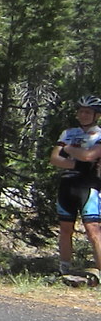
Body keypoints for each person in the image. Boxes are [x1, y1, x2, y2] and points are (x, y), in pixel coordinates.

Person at [48, 95, 101, 285]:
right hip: (67, 185)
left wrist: (69, 150)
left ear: (96, 115)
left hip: (89, 186)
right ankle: (64, 268)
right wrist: (79, 163)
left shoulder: (99, 134)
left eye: (88, 112)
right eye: (81, 111)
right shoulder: (67, 133)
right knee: (65, 229)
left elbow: (90, 155)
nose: (83, 115)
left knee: (93, 229)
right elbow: (54, 158)